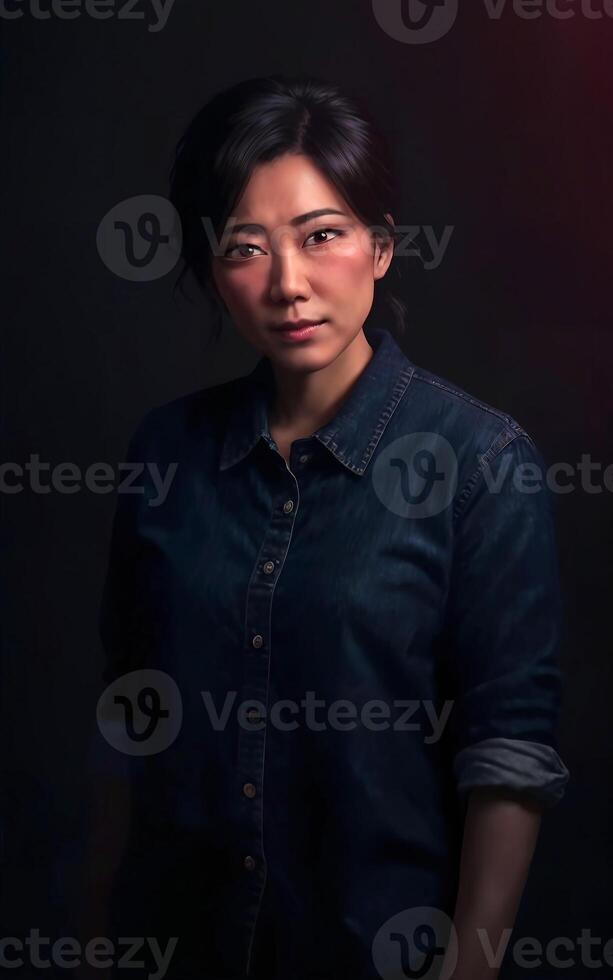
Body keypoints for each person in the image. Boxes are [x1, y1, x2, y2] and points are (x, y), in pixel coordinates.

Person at [94, 74, 570, 980]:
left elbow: (508, 750)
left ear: (381, 247)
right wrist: (94, 935)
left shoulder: (480, 462)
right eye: (245, 248)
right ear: (211, 271)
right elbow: (127, 707)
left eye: (321, 237)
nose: (288, 284)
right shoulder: (166, 452)